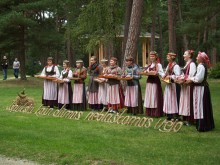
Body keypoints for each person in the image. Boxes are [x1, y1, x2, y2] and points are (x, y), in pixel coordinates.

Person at [186, 52, 215, 132]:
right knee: (201, 106)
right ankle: (201, 124)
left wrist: (191, 79)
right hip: (200, 88)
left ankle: (202, 125)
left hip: (201, 89)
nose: (196, 58)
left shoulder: (201, 66)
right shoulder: (200, 66)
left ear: (201, 59)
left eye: (197, 57)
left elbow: (199, 79)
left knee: (200, 106)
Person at [177, 50, 196, 125]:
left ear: (190, 56)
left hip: (189, 86)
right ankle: (185, 117)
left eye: (185, 54)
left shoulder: (192, 64)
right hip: (184, 86)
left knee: (188, 101)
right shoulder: (187, 64)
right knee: (184, 101)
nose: (183, 55)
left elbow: (192, 76)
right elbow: (184, 74)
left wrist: (184, 80)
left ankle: (190, 119)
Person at [143, 51, 164, 117]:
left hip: (155, 81)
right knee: (149, 96)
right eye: (150, 56)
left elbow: (161, 73)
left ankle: (155, 112)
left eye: (153, 56)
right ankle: (150, 112)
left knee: (154, 96)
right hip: (149, 81)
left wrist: (158, 74)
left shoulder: (158, 65)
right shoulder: (149, 65)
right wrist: (146, 72)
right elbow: (146, 71)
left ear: (156, 57)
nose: (151, 57)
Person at [162, 52, 181, 120]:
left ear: (172, 58)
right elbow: (166, 73)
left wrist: (170, 76)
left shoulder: (176, 66)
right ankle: (169, 114)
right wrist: (164, 75)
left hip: (174, 85)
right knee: (169, 99)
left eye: (168, 56)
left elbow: (178, 75)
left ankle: (176, 114)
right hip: (169, 84)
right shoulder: (169, 65)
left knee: (174, 99)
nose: (167, 58)